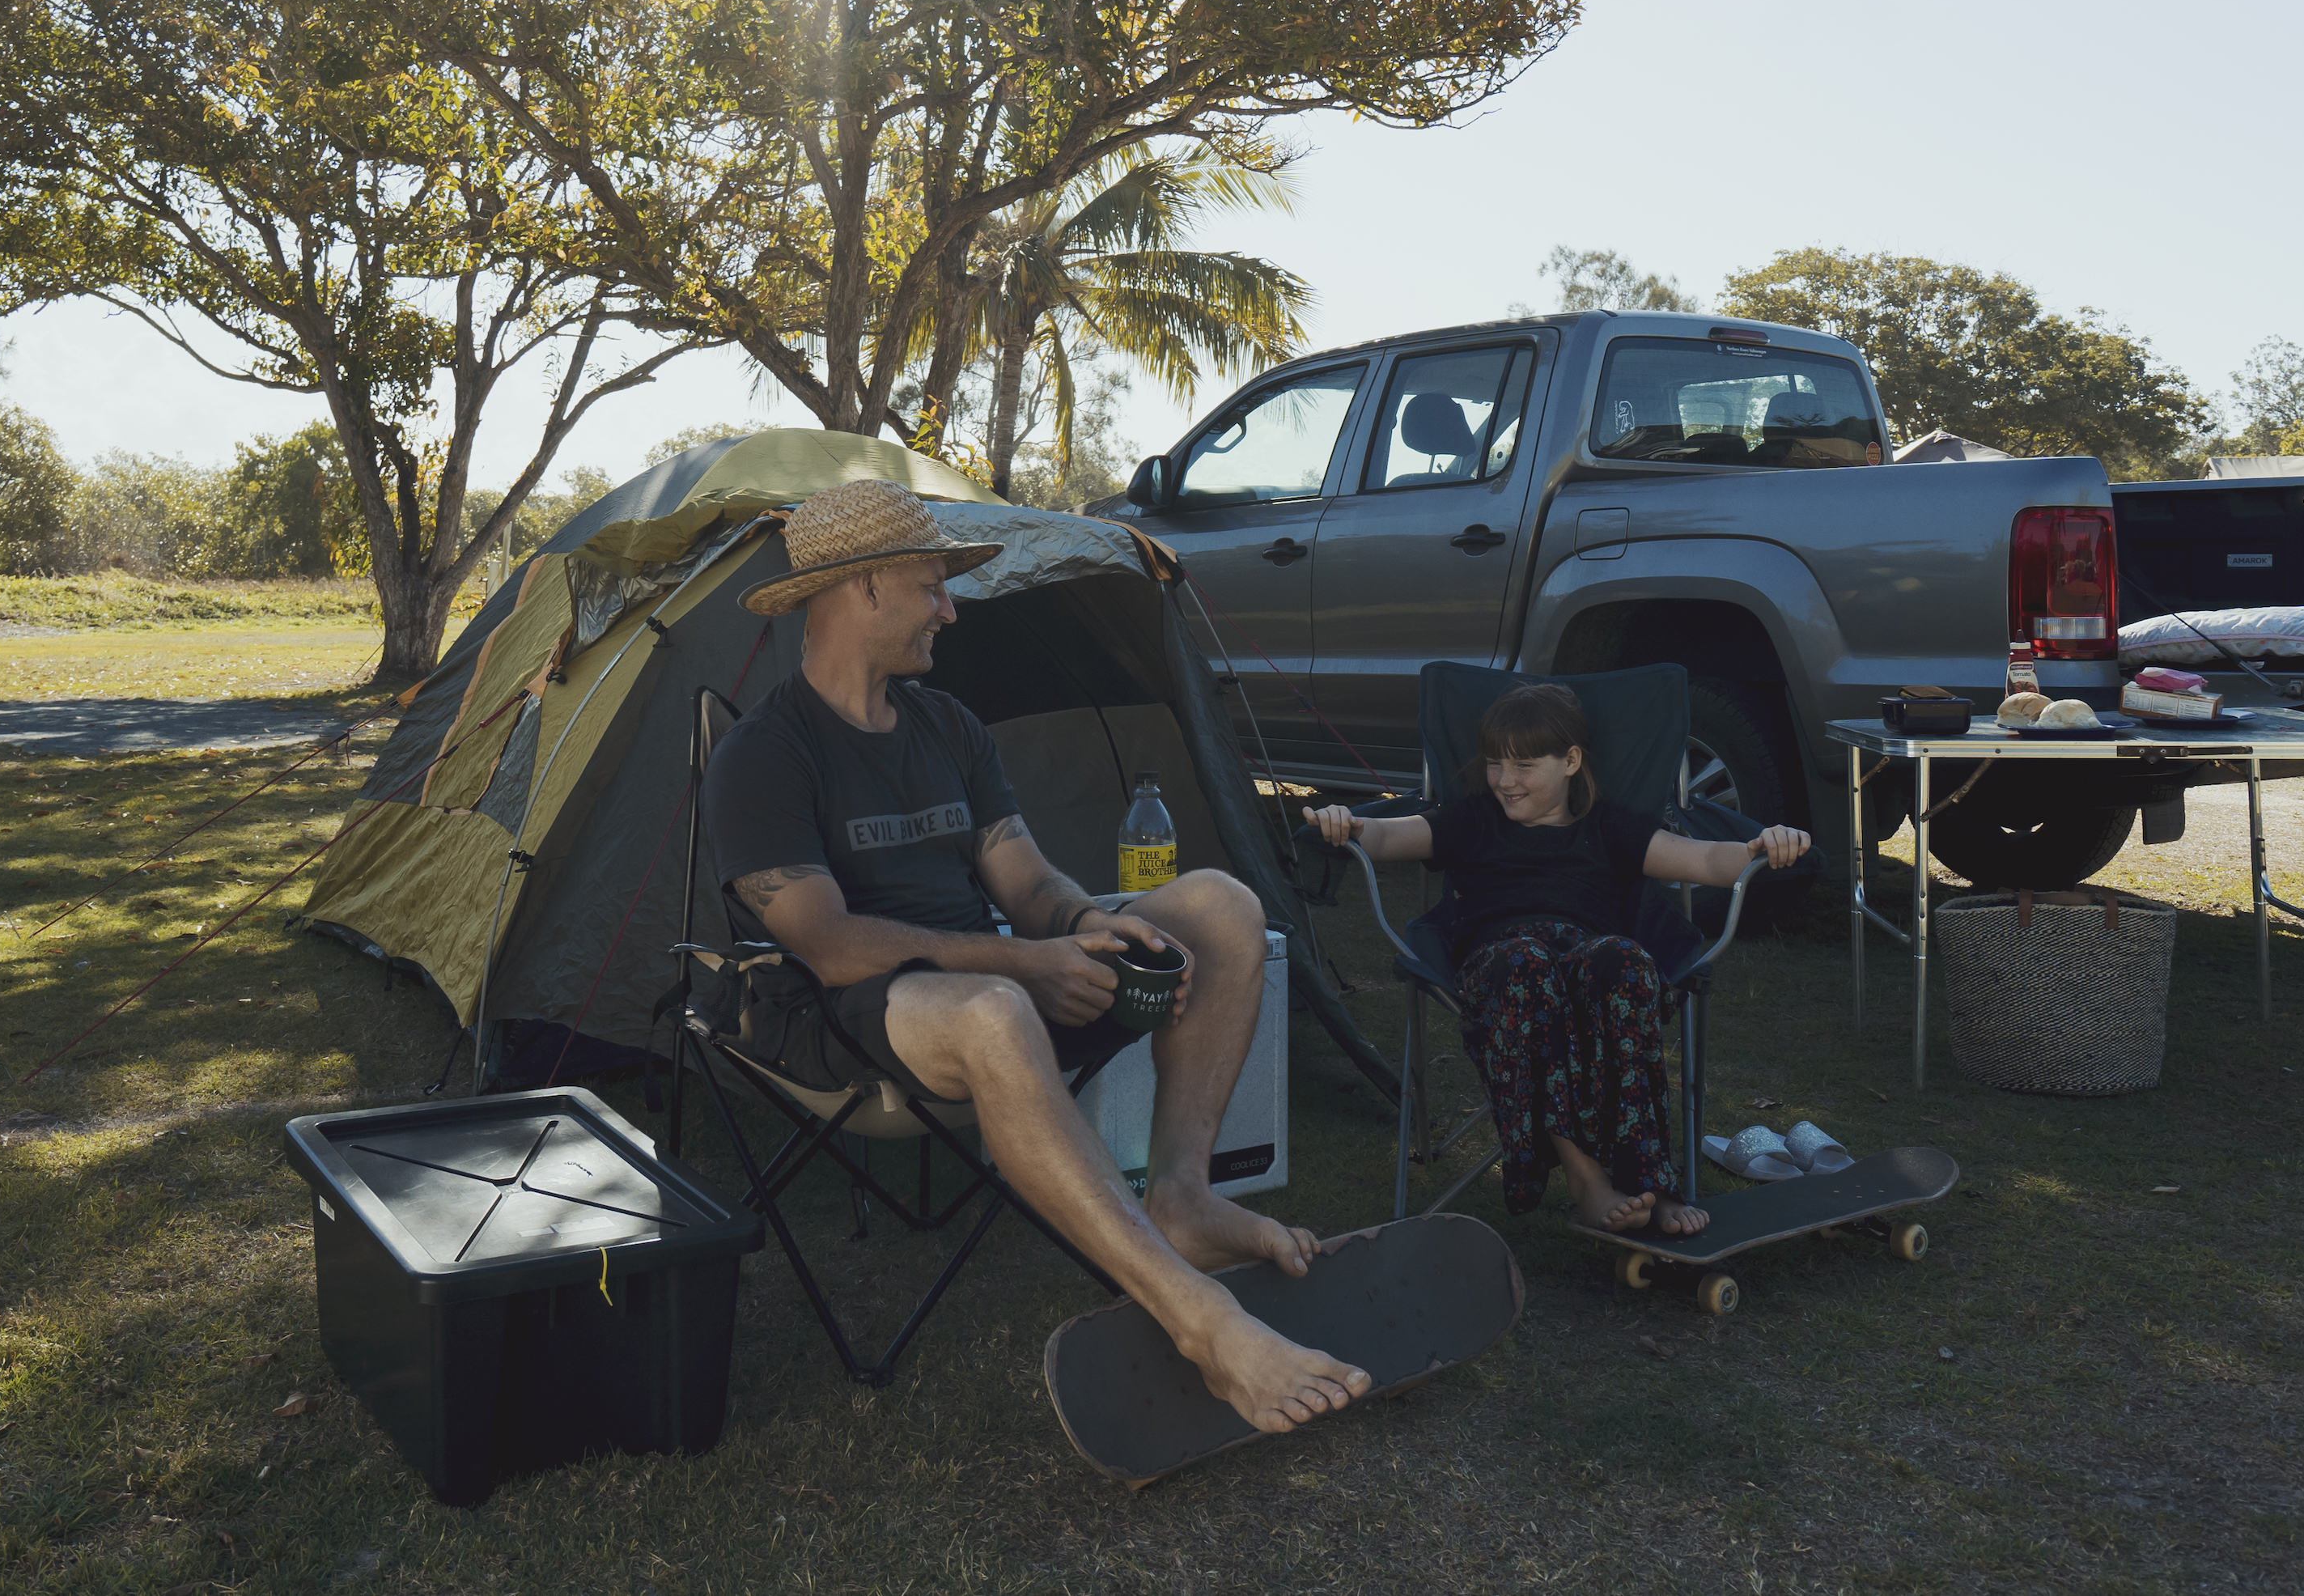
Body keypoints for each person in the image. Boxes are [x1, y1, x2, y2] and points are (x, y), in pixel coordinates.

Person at [702, 478, 1367, 1437]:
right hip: (845, 1017)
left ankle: (1181, 1197)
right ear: (865, 590)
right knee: (992, 1009)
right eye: (933, 586)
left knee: (1221, 907)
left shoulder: (948, 728)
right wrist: (1022, 966)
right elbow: (829, 944)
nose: (951, 608)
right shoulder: (766, 752)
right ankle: (1203, 1322)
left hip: (991, 981)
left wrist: (1083, 926)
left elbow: (1028, 887)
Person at [1309, 684, 1808, 1240]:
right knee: (1527, 967)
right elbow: (1383, 835)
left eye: (1524, 763)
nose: (1504, 779)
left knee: (1624, 960)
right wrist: (1348, 823)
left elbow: (1707, 857)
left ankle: (1651, 1180)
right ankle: (1585, 1178)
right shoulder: (1474, 820)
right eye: (1495, 762)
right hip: (1502, 966)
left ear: (1570, 760)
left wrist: (1760, 846)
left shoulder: (1609, 826)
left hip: (1584, 964)